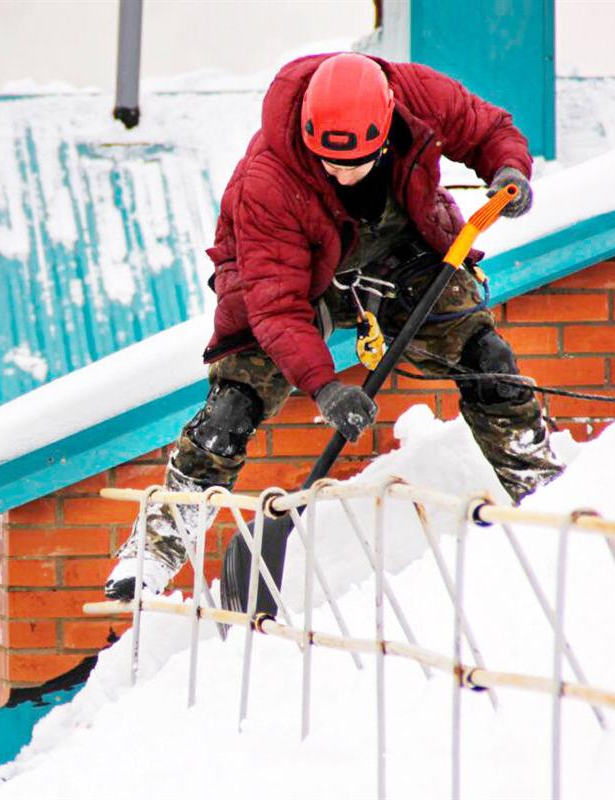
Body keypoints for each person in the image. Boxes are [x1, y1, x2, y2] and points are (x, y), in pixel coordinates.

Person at [104, 52, 564, 601]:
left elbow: (487, 128)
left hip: (401, 250)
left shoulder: (418, 93)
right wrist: (325, 388)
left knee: (488, 362)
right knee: (233, 407)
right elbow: (277, 307)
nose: (343, 173)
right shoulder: (267, 180)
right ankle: (157, 546)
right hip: (289, 275)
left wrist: (509, 169)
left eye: (357, 163)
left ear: (388, 123)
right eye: (330, 162)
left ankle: (539, 491)